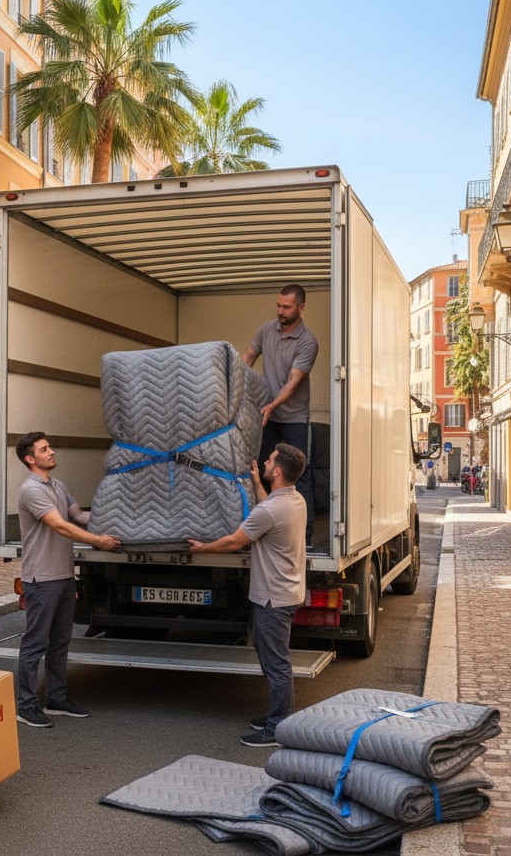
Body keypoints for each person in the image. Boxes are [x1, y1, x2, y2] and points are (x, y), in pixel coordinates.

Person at [188, 443, 307, 748]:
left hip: (273, 598)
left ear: (277, 471)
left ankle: (277, 726)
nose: (265, 463)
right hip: (287, 593)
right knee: (272, 659)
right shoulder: (294, 500)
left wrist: (203, 548)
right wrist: (256, 481)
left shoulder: (270, 511)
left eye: (268, 462)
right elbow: (268, 510)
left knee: (277, 664)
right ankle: (276, 714)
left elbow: (234, 542)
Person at [15, 431, 121, 728]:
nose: (51, 451)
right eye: (44, 449)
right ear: (30, 459)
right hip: (42, 578)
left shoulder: (58, 486)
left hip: (63, 575)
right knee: (35, 644)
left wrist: (119, 521)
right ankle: (25, 705)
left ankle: (56, 699)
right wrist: (98, 542)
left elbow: (78, 516)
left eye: (49, 447)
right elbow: (60, 526)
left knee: (60, 641)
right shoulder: (30, 490)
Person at [242, 283, 319, 546]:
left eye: (286, 307)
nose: (280, 311)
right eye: (278, 305)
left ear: (301, 308)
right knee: (262, 470)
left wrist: (272, 405)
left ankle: (304, 535)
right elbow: (248, 359)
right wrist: (236, 388)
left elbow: (293, 382)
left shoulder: (308, 342)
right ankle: (262, 527)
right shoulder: (266, 329)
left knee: (300, 474)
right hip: (267, 416)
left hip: (294, 419)